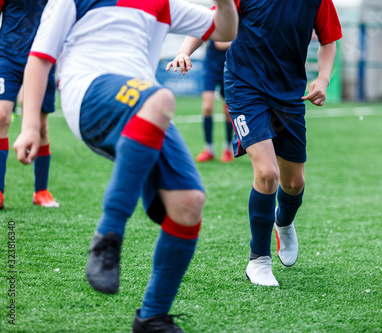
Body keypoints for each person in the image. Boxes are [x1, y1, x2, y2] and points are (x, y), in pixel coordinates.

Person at [14, 0, 237, 332]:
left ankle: (152, 317)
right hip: (89, 93)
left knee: (189, 203)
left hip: (143, 107)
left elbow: (225, 29)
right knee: (161, 98)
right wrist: (30, 124)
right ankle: (107, 237)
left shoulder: (162, 3)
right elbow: (40, 58)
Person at [169, 0, 342, 286]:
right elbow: (213, 18)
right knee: (267, 173)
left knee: (294, 184)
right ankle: (259, 260)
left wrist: (322, 79)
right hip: (244, 85)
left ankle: (283, 222)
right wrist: (183, 51)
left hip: (290, 94)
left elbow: (329, 39)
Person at [0, 0, 59, 209]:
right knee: (1, 117)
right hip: (7, 57)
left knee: (41, 127)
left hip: (43, 60)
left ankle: (41, 191)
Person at [195, 40, 234, 163]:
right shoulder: (210, 21)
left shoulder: (236, 23)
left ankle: (227, 148)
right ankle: (209, 149)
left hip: (228, 67)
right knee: (207, 108)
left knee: (227, 111)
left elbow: (221, 44)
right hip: (210, 68)